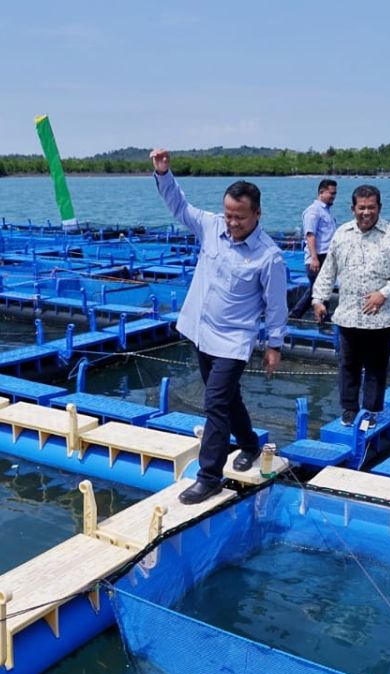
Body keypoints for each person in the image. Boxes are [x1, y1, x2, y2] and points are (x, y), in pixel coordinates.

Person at [150, 148, 288, 504]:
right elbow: (180, 207)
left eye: (240, 217)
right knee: (228, 398)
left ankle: (209, 476)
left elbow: (276, 305)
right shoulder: (211, 227)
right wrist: (164, 174)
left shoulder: (268, 256)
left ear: (257, 214)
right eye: (228, 214)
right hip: (201, 331)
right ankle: (249, 445)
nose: (232, 222)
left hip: (233, 341)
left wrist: (275, 345)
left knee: (214, 402)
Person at [312, 185, 390, 428]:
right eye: (362, 207)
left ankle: (371, 410)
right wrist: (319, 299)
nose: (366, 212)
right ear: (353, 209)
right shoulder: (341, 234)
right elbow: (329, 269)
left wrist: (385, 293)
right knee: (348, 365)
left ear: (379, 208)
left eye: (371, 207)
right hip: (348, 313)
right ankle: (349, 409)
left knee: (375, 366)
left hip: (381, 315)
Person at [289, 179, 337, 322]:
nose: (333, 196)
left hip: (327, 256)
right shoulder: (313, 211)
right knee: (318, 290)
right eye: (331, 193)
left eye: (335, 194)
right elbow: (310, 235)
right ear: (321, 192)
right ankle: (296, 315)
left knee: (321, 288)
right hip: (318, 256)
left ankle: (320, 316)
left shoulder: (326, 212)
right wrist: (314, 258)